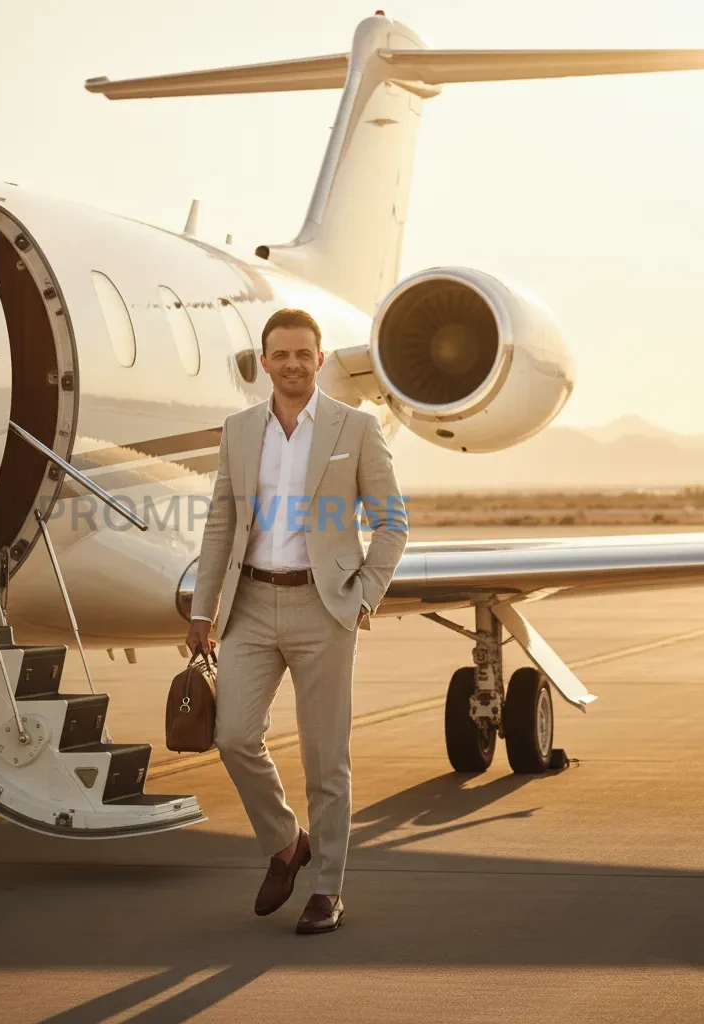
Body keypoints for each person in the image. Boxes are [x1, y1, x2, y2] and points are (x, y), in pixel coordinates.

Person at [186, 307, 407, 934]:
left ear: (319, 359)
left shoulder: (355, 428)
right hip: (249, 607)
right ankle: (286, 843)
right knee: (233, 736)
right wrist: (204, 608)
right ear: (265, 362)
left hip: (325, 606)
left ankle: (327, 889)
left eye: (302, 354)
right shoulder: (238, 429)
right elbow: (222, 524)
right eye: (279, 355)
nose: (291, 364)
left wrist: (366, 592)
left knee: (324, 756)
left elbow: (392, 521)